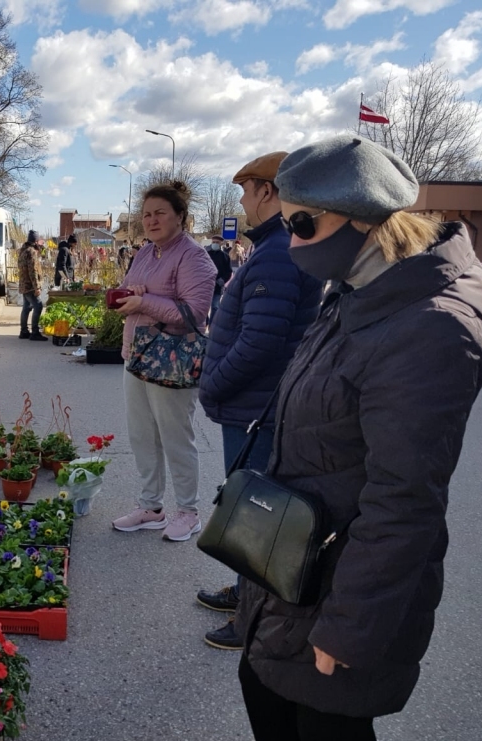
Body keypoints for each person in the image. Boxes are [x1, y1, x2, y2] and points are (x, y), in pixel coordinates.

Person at [236, 136, 482, 741]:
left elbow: (405, 500)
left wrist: (349, 627)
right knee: (266, 696)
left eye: (302, 223)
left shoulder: (430, 327)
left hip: (343, 588)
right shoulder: (356, 287)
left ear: (364, 217)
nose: (292, 241)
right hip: (297, 568)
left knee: (326, 740)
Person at [196, 151, 323, 651]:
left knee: (256, 515)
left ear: (268, 191)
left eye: (247, 192)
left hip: (256, 406)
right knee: (247, 505)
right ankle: (246, 594)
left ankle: (253, 619)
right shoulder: (277, 247)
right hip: (255, 403)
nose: (244, 203)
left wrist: (213, 382)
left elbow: (260, 341)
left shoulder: (276, 254)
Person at [111, 181, 217, 542]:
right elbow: (134, 289)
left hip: (171, 360)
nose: (151, 220)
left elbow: (193, 314)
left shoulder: (193, 257)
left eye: (160, 213)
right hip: (136, 355)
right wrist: (132, 294)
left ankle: (188, 512)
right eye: (146, 215)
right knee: (142, 436)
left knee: (175, 438)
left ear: (180, 217)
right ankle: (151, 507)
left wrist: (144, 302)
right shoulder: (145, 253)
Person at [18, 230, 47, 341]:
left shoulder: (22, 250)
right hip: (30, 285)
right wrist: (37, 287)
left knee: (26, 307)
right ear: (35, 241)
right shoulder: (31, 252)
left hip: (23, 284)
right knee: (38, 305)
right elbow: (33, 271)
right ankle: (35, 332)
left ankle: (24, 331)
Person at [205, 235, 233, 325]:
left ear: (221, 243)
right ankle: (206, 322)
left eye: (217, 242)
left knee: (215, 306)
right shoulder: (206, 255)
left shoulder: (225, 256)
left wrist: (223, 280)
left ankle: (212, 325)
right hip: (206, 286)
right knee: (204, 307)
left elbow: (229, 271)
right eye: (213, 242)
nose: (215, 244)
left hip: (218, 286)